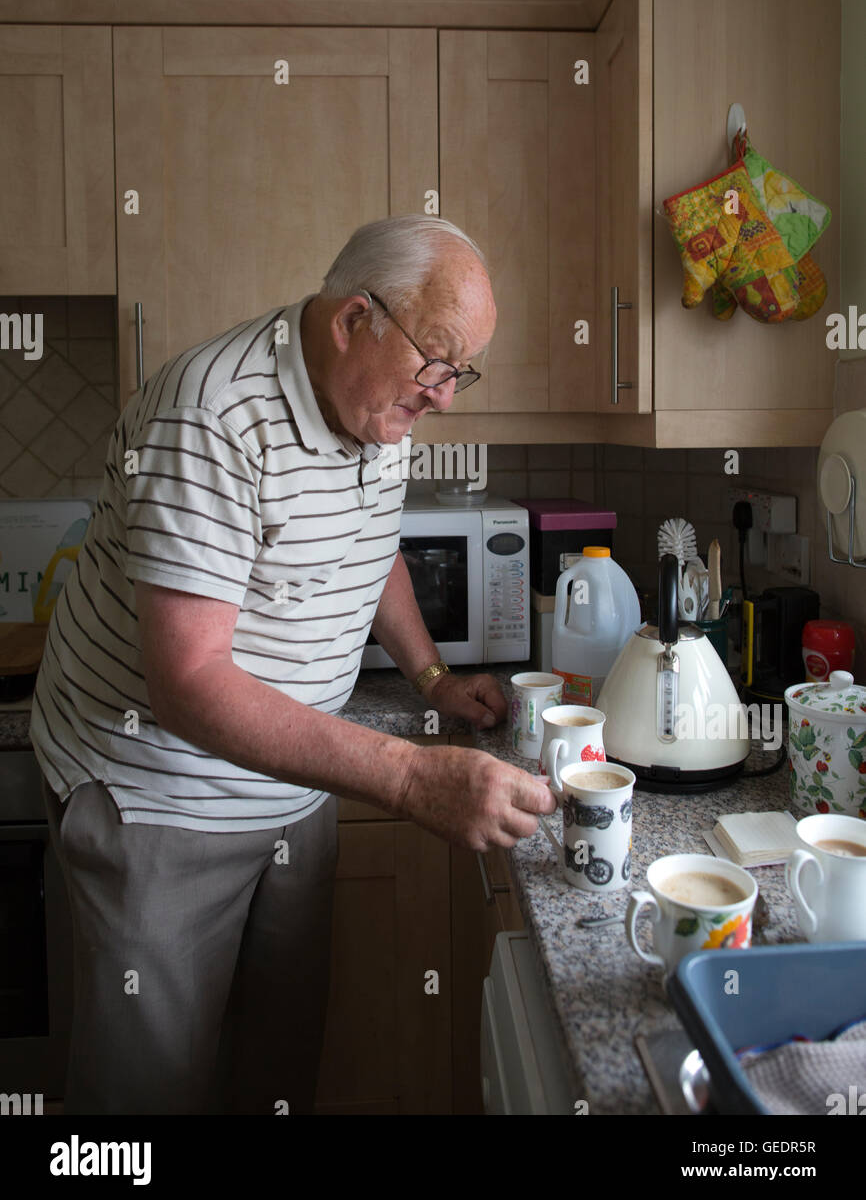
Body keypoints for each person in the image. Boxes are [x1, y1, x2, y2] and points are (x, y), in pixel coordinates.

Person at [29, 214, 556, 1115]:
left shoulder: (379, 405)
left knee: (274, 1079)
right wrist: (409, 778)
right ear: (355, 319)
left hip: (289, 795)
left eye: (459, 370)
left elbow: (370, 544)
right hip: (157, 802)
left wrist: (429, 677)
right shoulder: (211, 415)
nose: (446, 397)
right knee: (143, 1103)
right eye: (439, 362)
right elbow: (189, 684)